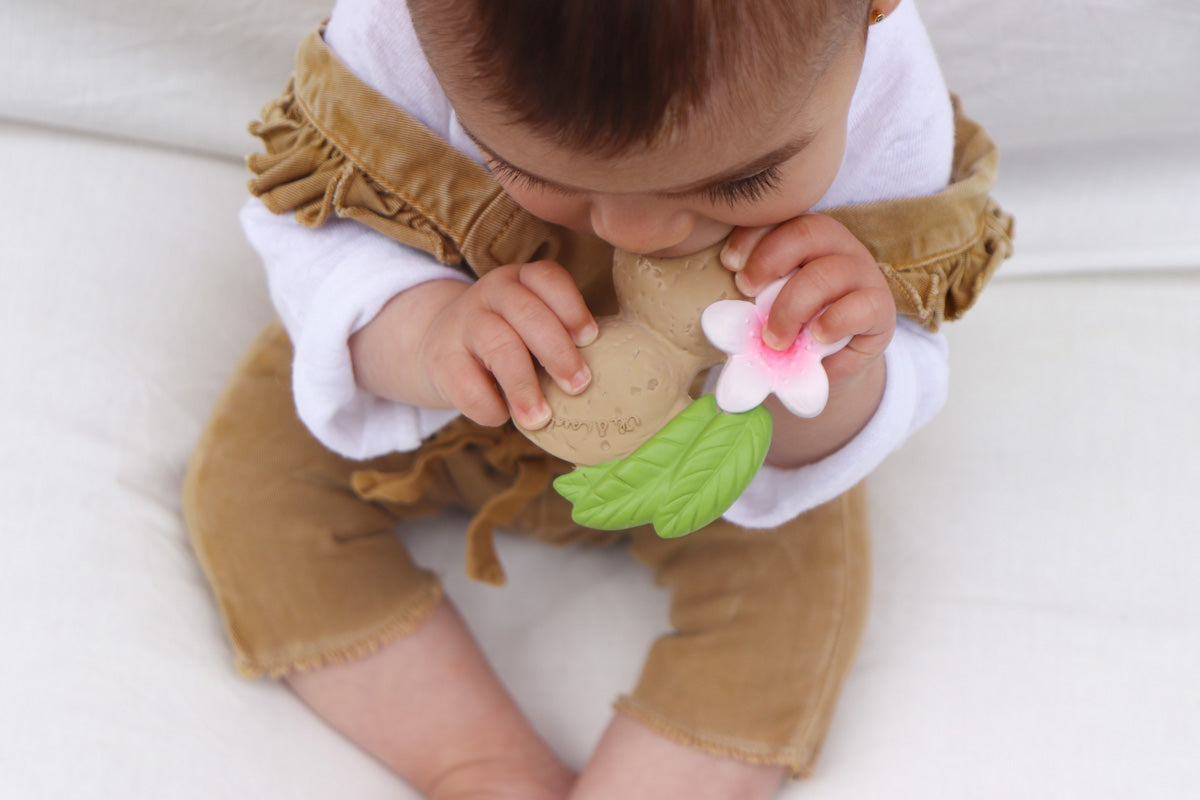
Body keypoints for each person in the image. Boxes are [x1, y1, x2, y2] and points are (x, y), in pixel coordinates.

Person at [183, 0, 1012, 797]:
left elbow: (888, 367)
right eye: (531, 168)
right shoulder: (396, 33)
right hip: (450, 379)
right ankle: (479, 765)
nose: (634, 228)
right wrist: (429, 336)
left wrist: (836, 369)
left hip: (716, 438)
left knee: (796, 597)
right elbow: (319, 219)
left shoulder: (884, 107)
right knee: (252, 496)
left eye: (743, 182)